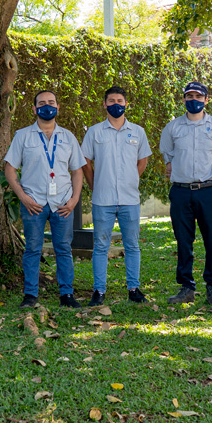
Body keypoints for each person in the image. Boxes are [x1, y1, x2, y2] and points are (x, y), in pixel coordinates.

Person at [4, 89, 86, 308]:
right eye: (42, 103)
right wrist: (22, 197)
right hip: (34, 204)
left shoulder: (68, 137)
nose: (47, 106)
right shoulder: (22, 136)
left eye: (51, 102)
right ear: (34, 109)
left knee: (63, 248)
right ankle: (30, 295)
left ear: (58, 107)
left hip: (62, 203)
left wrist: (75, 199)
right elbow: (9, 169)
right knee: (32, 248)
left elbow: (77, 171)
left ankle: (66, 295)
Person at [159, 81, 212, 307]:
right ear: (183, 100)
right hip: (180, 192)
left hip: (208, 191)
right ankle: (186, 287)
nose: (194, 100)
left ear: (206, 100)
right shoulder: (172, 128)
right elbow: (167, 156)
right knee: (183, 241)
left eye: (198, 97)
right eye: (189, 96)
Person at [81, 85, 151, 306]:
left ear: (126, 104)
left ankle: (134, 288)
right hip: (103, 200)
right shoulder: (94, 132)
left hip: (130, 200)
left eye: (120, 101)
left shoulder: (138, 132)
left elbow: (142, 161)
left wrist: (131, 178)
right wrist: (95, 184)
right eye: (111, 101)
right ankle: (99, 291)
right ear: (104, 104)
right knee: (101, 246)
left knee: (132, 245)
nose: (116, 105)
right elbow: (85, 161)